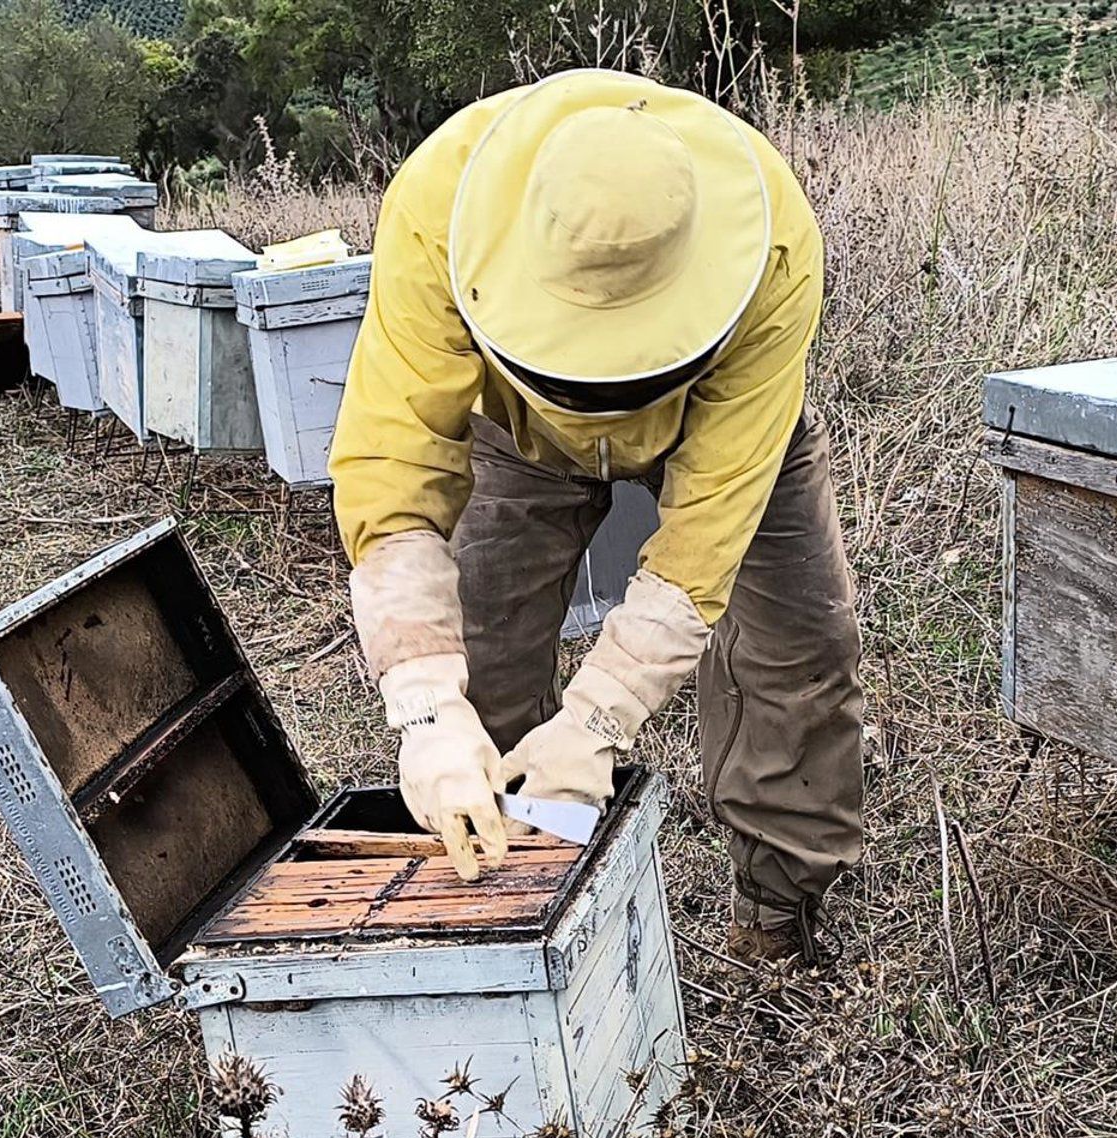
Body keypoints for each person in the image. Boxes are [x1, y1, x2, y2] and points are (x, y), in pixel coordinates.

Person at [328, 68, 863, 962]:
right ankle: (507, 899)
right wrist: (424, 703)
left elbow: (700, 550)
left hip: (717, 425)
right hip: (516, 432)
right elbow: (395, 467)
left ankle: (780, 911)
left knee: (798, 651)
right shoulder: (434, 208)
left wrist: (600, 720)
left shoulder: (770, 242)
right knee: (487, 649)